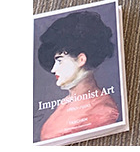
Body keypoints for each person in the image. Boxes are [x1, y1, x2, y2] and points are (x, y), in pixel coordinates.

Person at [37, 10, 120, 142]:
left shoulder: (104, 111)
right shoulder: (64, 103)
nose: (53, 69)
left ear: (81, 59)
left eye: (59, 61)